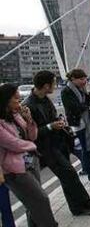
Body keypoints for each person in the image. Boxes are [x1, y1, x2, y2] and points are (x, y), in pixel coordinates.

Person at [24, 71, 90, 216]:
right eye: (54, 83)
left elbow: (56, 116)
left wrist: (59, 121)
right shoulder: (29, 105)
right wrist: (51, 126)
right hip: (47, 148)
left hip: (59, 142)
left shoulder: (45, 99)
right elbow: (30, 134)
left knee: (68, 177)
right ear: (46, 85)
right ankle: (82, 205)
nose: (55, 86)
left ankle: (81, 205)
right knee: (70, 175)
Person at [0, 84, 58, 227]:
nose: (19, 103)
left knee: (32, 204)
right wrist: (32, 146)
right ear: (6, 100)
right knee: (41, 200)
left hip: (31, 161)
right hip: (14, 170)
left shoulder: (16, 116)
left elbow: (32, 136)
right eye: (16, 99)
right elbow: (13, 143)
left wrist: (29, 120)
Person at [61, 69, 90, 185]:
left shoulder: (80, 89)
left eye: (85, 79)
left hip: (88, 123)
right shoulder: (67, 91)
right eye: (81, 79)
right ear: (73, 79)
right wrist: (85, 105)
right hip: (80, 125)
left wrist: (87, 93)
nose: (84, 81)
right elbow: (75, 108)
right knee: (87, 150)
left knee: (89, 149)